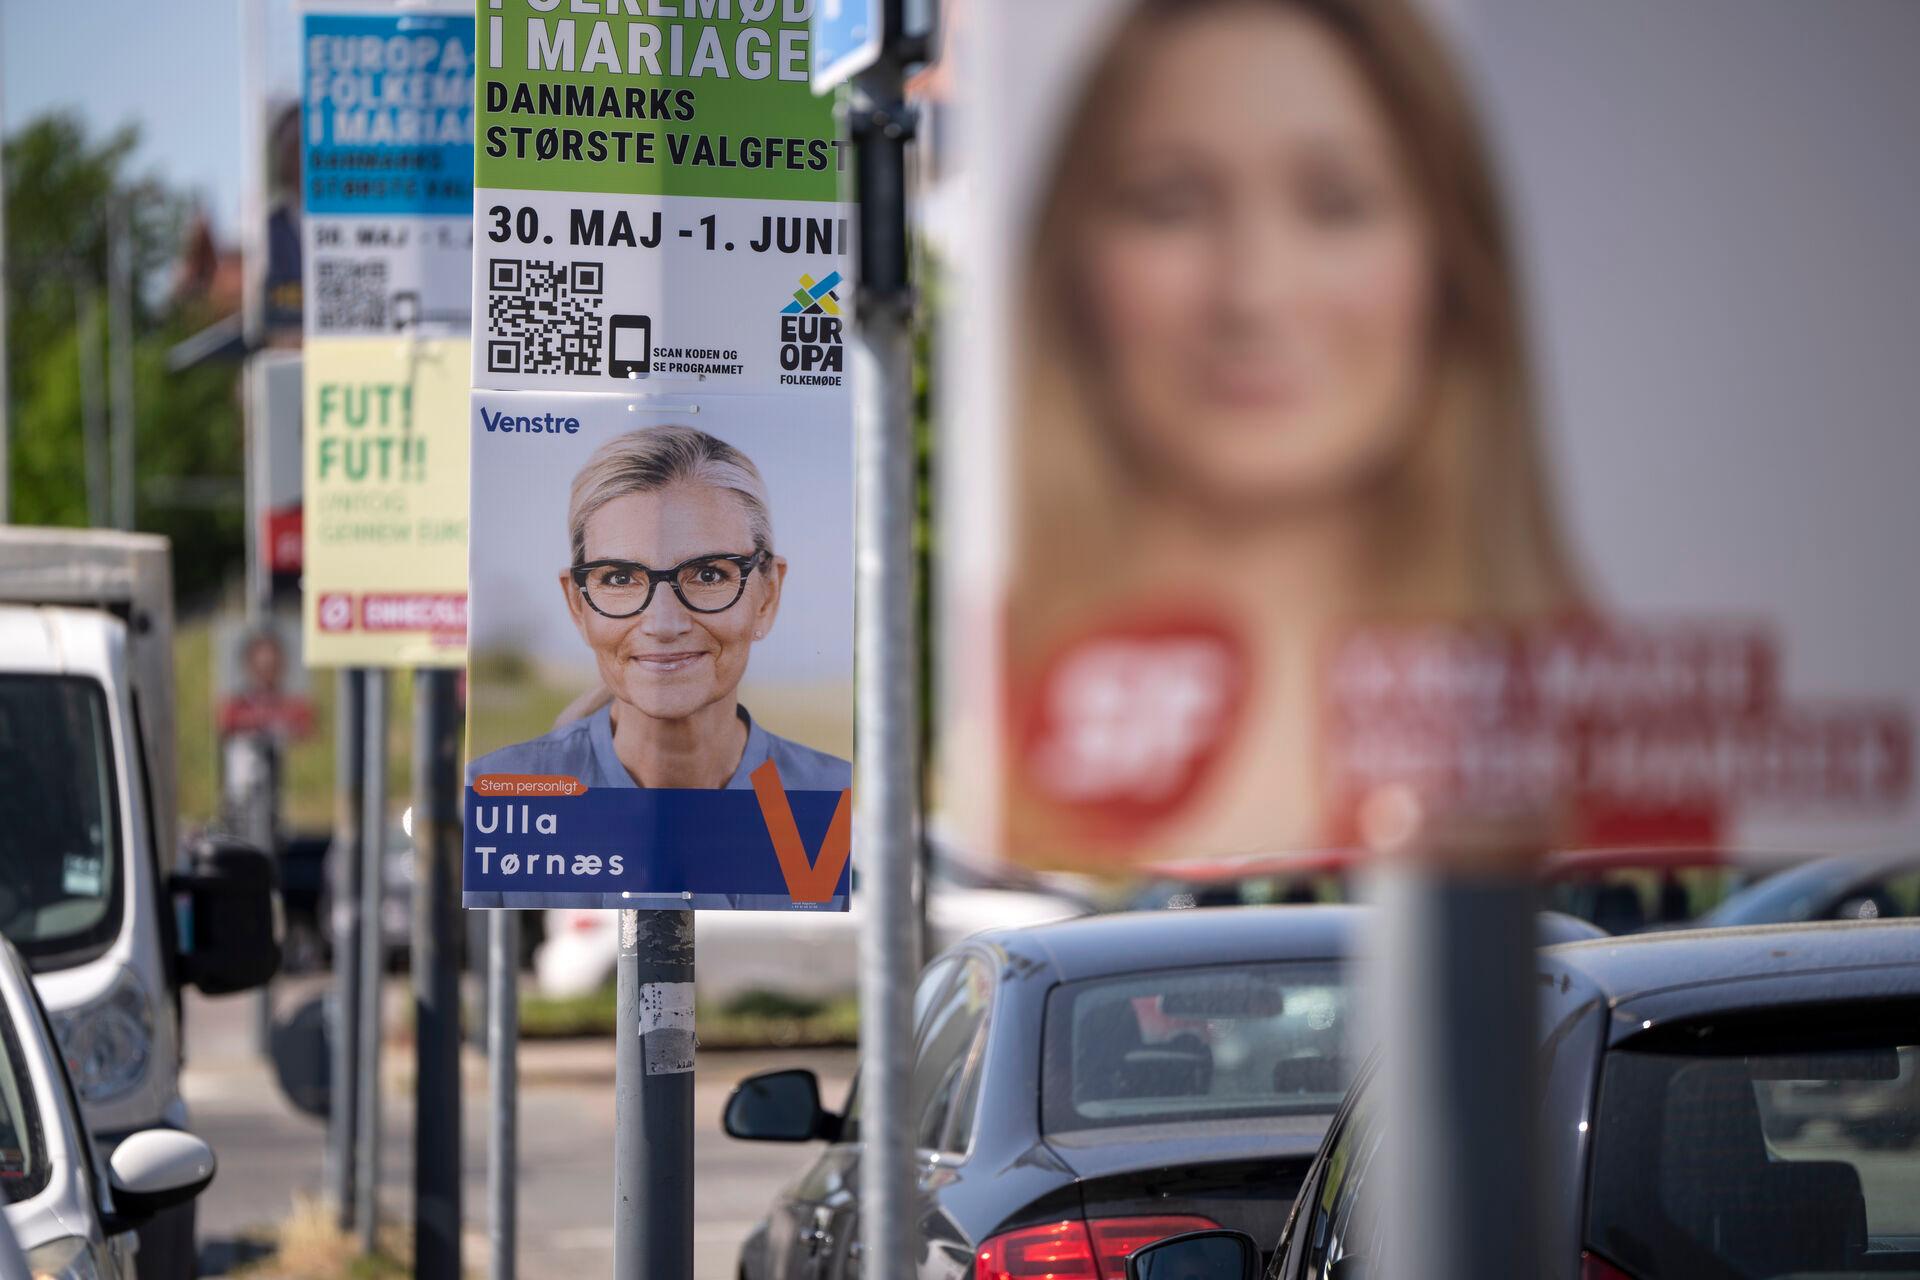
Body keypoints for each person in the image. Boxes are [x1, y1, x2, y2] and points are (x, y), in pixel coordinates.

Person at [1002, 0, 1584, 862]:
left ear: (1453, 261)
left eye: (1337, 204)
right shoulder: (981, 712)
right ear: (1072, 263)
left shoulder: (1601, 732)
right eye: (1171, 203)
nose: (1255, 293)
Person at [469, 424, 850, 794]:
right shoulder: (499, 795)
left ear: (767, 595)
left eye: (708, 574)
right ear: (577, 603)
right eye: (619, 579)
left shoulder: (832, 799)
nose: (664, 624)